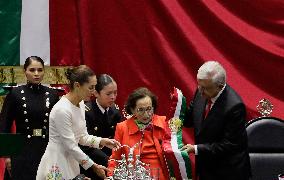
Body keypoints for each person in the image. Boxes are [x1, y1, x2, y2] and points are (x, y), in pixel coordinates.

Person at [36, 65, 120, 180]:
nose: (93, 91)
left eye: (95, 87)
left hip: (72, 161)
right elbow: (70, 145)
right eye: (91, 87)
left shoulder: (80, 104)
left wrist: (102, 141)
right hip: (57, 163)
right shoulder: (62, 109)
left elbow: (82, 136)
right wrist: (93, 166)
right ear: (77, 85)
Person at [181, 61, 251, 180]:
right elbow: (190, 119)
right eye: (199, 85)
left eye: (205, 88)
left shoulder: (235, 107)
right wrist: (178, 108)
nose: (200, 91)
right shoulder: (203, 89)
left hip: (227, 172)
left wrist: (196, 148)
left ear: (220, 86)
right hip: (206, 169)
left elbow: (229, 145)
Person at [0, 56, 60, 180]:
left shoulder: (53, 94)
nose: (36, 74)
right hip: (22, 149)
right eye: (32, 70)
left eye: (40, 70)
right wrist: (7, 156)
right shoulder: (15, 94)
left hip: (46, 148)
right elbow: (4, 125)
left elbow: (57, 126)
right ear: (25, 71)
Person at [108, 87, 169, 180]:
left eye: (149, 109)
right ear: (132, 110)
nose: (146, 114)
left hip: (160, 175)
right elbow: (115, 157)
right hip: (134, 175)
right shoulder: (122, 128)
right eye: (141, 110)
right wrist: (110, 176)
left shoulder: (164, 122)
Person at [80, 74, 122, 179]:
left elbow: (118, 138)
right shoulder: (87, 112)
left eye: (115, 93)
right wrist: (109, 161)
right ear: (96, 93)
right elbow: (85, 146)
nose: (113, 97)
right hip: (91, 164)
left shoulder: (115, 111)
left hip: (111, 161)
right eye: (108, 94)